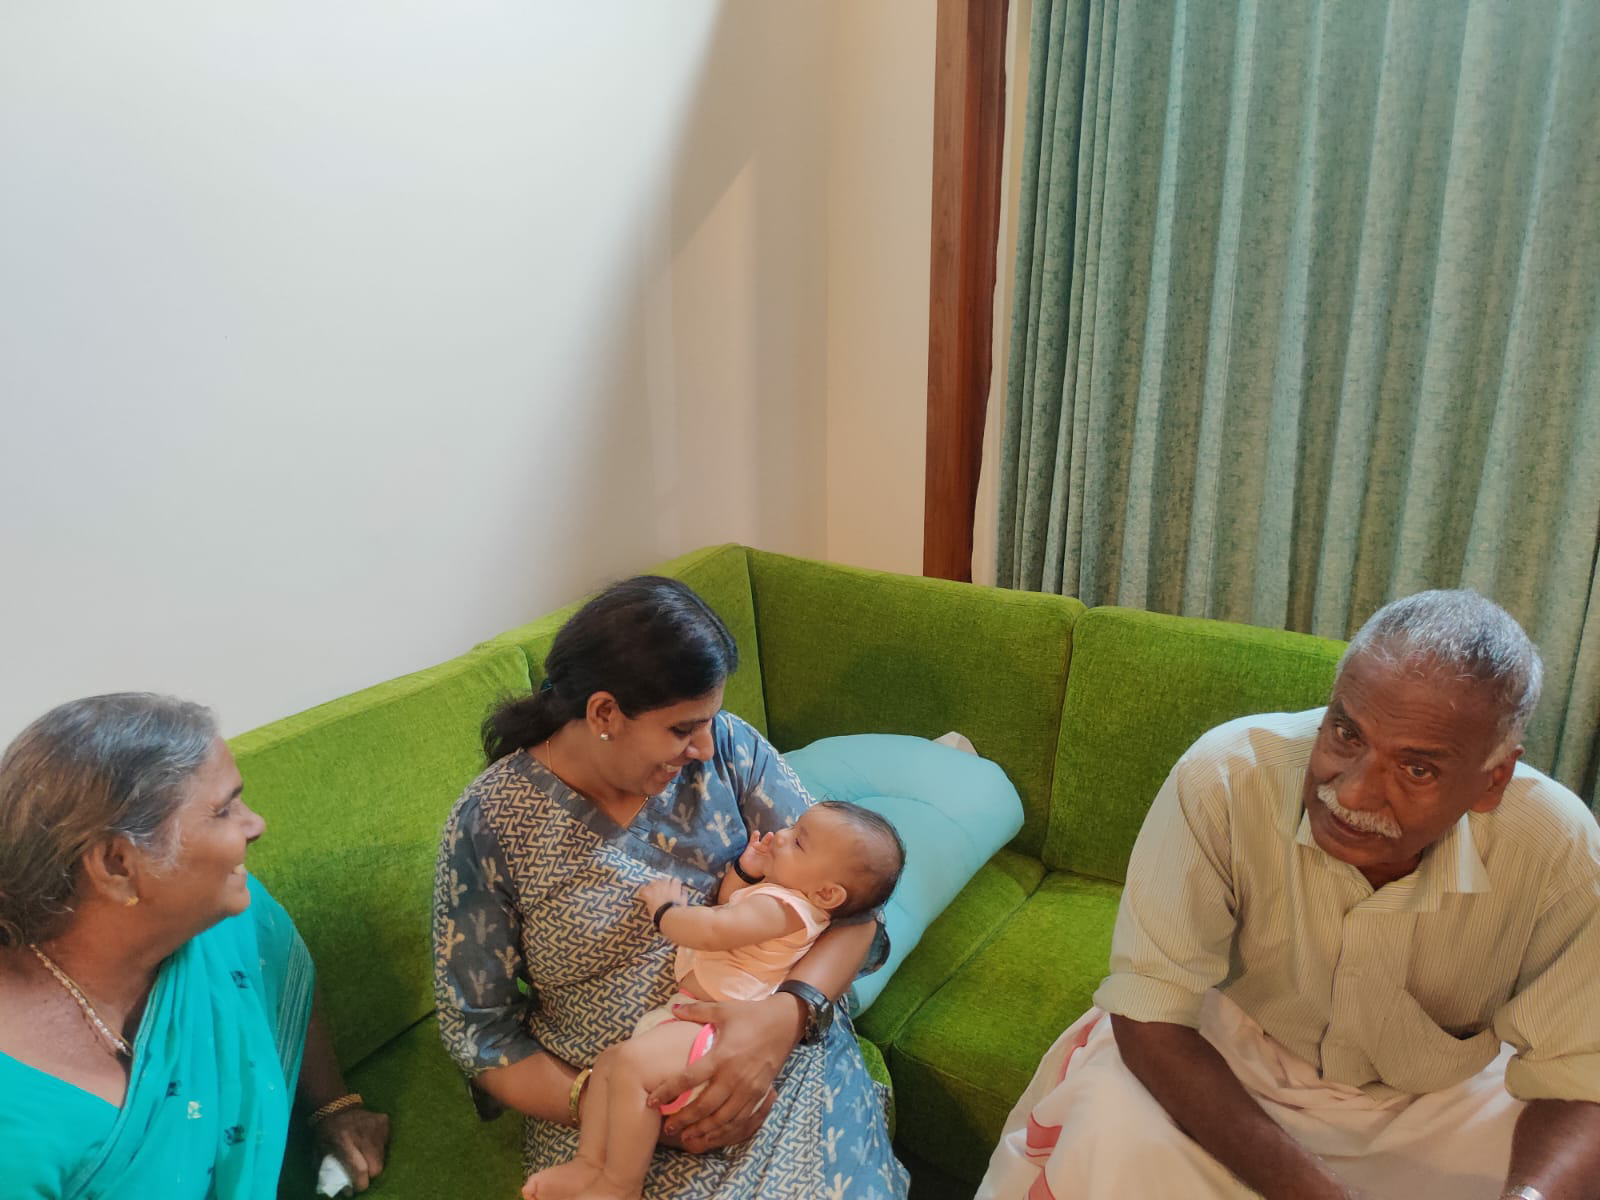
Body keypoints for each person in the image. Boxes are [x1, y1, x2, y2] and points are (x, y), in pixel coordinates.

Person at [977, 590, 1600, 1200]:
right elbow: (1151, 1013)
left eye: (1416, 768)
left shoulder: (1559, 847)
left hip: (1442, 1100)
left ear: (1492, 782)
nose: (1351, 794)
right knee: (1113, 1133)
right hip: (1230, 1062)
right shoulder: (1226, 775)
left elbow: (1582, 1074)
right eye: (1346, 734)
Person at [432, 575, 909, 1200]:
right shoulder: (491, 823)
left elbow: (852, 908)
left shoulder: (730, 749)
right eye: (683, 729)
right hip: (613, 1114)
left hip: (781, 1058)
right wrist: (623, 1102)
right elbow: (480, 1035)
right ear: (604, 713)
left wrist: (784, 1019)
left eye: (708, 722)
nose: (704, 746)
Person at [0, 693, 390, 1198]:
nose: (256, 825)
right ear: (117, 865)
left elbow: (278, 973)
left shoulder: (219, 921)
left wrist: (332, 1106)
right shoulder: (17, 1123)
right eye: (223, 811)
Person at [522, 800, 906, 1200]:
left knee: (631, 1068)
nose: (781, 835)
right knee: (610, 1063)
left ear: (826, 893)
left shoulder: (787, 910)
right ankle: (587, 1165)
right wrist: (745, 871)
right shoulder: (782, 899)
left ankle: (619, 1185)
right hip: (693, 1020)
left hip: (714, 1032)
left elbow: (717, 929)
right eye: (793, 826)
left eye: (798, 842)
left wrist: (667, 911)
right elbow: (733, 903)